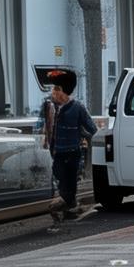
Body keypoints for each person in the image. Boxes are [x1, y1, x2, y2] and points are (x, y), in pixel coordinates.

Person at [46, 70, 96, 220]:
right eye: (53, 88)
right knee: (61, 180)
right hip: (57, 152)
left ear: (64, 91)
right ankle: (69, 206)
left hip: (72, 152)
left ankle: (65, 208)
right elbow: (44, 127)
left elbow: (92, 128)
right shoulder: (50, 108)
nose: (53, 92)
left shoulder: (77, 108)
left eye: (56, 89)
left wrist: (93, 138)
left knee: (69, 182)